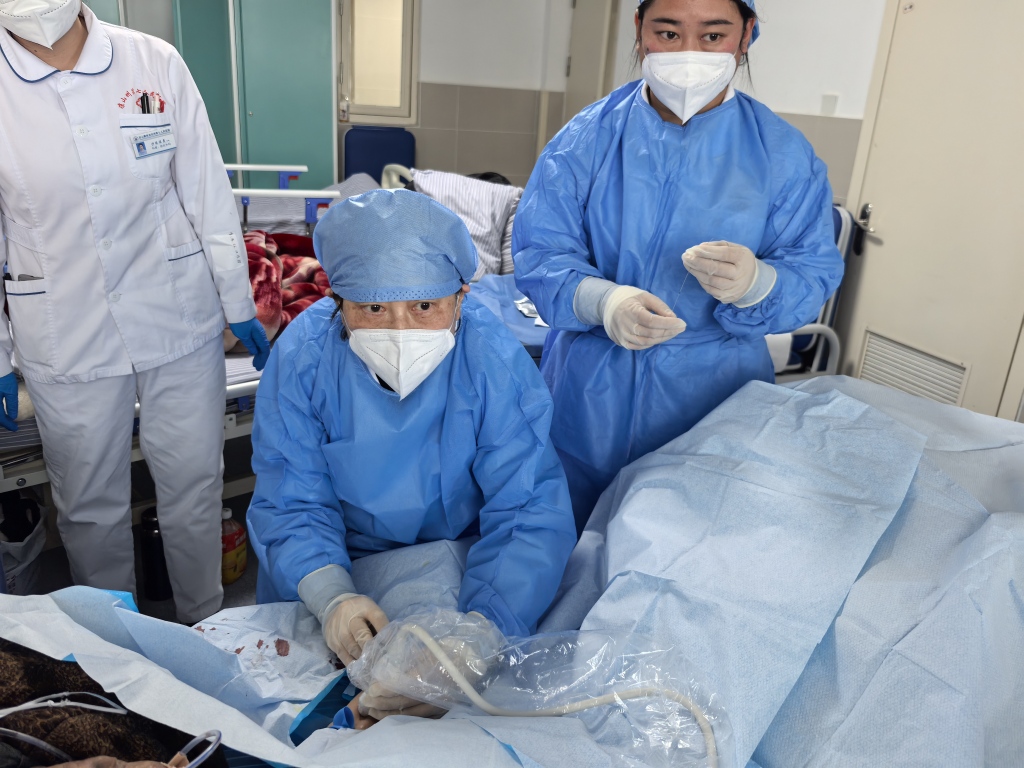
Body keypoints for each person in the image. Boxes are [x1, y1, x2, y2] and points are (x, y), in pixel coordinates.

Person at [513, 0, 844, 528]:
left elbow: (812, 270)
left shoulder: (783, 155)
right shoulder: (585, 139)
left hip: (715, 396)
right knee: (565, 535)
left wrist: (759, 284)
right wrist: (603, 301)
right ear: (639, 30)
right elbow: (540, 252)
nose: (689, 53)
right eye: (668, 33)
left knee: (685, 543)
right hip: (588, 396)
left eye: (713, 36)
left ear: (747, 36)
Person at [246, 189, 576, 719]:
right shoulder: (303, 359)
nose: (400, 331)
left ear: (461, 297)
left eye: (425, 306)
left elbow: (527, 506)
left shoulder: (492, 360)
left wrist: (483, 630)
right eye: (373, 307)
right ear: (338, 302)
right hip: (332, 564)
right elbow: (291, 500)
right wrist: (332, 597)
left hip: (464, 566)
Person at [0, 1, 269, 623]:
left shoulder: (153, 61)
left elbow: (206, 190)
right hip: (65, 328)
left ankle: (206, 624)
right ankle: (117, 644)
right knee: (89, 508)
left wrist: (237, 299)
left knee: (195, 488)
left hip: (177, 314)